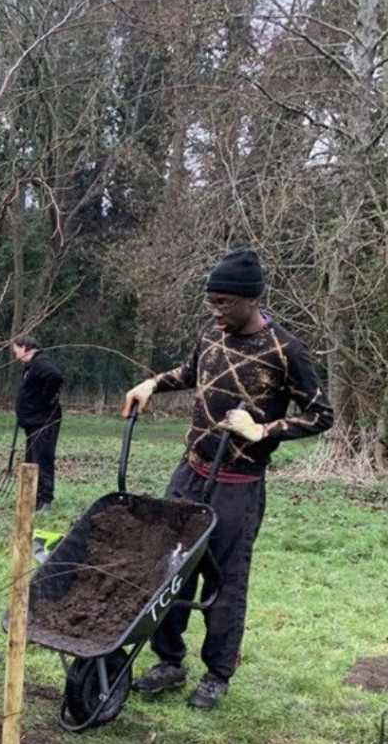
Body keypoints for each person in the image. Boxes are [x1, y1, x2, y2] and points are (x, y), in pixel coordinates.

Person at [122, 246, 334, 711]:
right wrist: (152, 383)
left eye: (223, 303)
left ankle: (218, 673)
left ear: (250, 300)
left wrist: (264, 430)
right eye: (211, 302)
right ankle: (169, 662)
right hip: (190, 471)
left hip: (238, 484)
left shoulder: (286, 351)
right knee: (171, 570)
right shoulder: (211, 333)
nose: (215, 311)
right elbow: (192, 372)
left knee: (225, 581)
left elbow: (321, 414)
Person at [12, 335, 63, 512]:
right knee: (32, 460)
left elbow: (55, 377)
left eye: (16, 350)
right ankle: (32, 499)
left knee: (43, 459)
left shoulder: (41, 362)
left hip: (44, 421)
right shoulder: (30, 365)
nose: (15, 354)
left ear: (25, 347)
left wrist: (45, 399)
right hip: (33, 422)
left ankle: (45, 500)